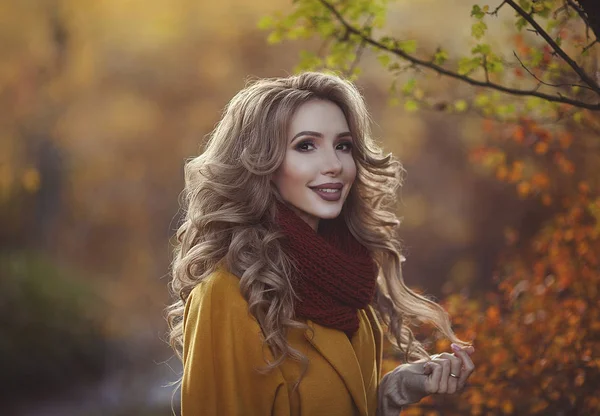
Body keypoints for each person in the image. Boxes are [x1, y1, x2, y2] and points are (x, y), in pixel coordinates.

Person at [166, 71, 475, 415]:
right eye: (306, 146)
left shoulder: (349, 284)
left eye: (343, 146)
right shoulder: (228, 293)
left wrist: (396, 389)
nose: (334, 165)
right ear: (261, 163)